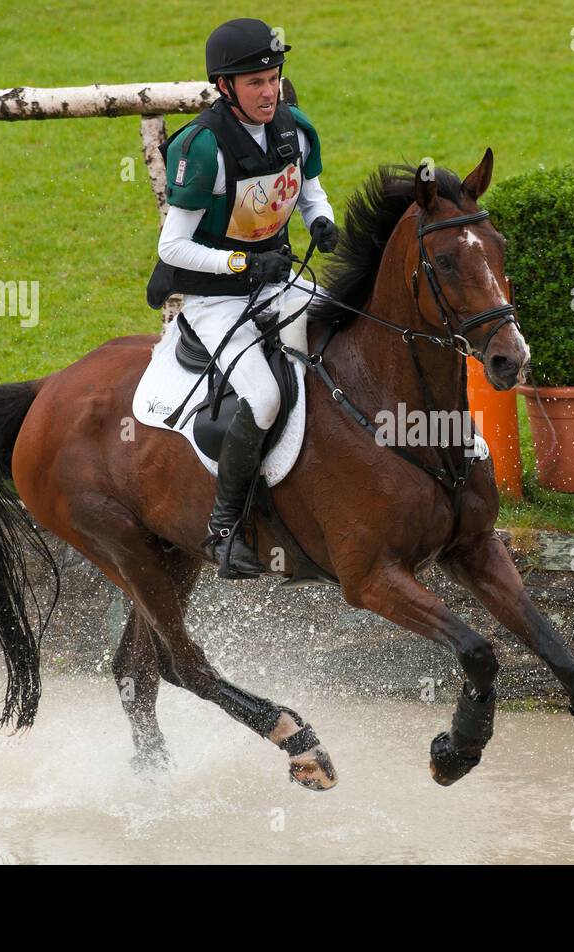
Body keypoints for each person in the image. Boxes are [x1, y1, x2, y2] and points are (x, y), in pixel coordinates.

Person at [155, 17, 339, 579]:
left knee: (348, 335)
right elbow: (173, 247)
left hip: (278, 281)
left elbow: (309, 191)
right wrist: (241, 261)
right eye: (255, 81)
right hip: (217, 299)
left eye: (274, 77)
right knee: (260, 398)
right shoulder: (202, 148)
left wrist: (322, 220)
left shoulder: (295, 127)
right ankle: (224, 528)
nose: (269, 91)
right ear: (223, 87)